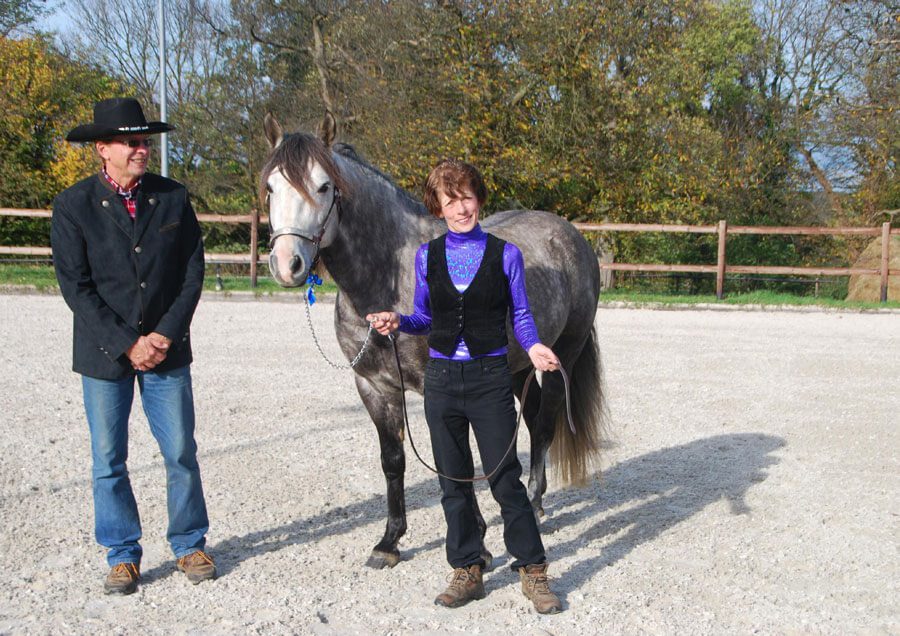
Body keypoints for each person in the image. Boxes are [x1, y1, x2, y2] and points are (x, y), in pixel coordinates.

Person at [366, 159, 563, 614]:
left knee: (504, 479)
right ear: (437, 206)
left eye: (467, 197)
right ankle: (467, 567)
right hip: (441, 381)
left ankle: (533, 570)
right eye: (450, 199)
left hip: (491, 378)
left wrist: (533, 348)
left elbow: (522, 316)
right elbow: (424, 316)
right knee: (452, 482)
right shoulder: (426, 256)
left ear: (480, 200)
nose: (461, 208)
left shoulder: (505, 254)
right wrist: (398, 321)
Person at [51, 97, 215, 595]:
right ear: (103, 149)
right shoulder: (73, 205)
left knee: (181, 450)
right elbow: (75, 287)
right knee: (108, 457)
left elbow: (192, 271)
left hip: (168, 349)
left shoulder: (172, 197)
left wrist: (163, 334)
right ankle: (122, 554)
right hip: (105, 354)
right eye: (131, 141)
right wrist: (128, 344)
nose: (141, 149)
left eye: (144, 141)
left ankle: (189, 543)